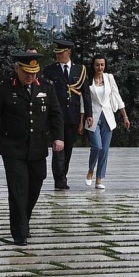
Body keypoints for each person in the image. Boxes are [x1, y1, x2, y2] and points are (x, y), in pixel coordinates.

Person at [0, 50, 64, 245]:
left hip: (37, 146)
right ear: (17, 68)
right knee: (18, 188)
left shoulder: (46, 87)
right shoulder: (4, 89)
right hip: (13, 147)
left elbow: (55, 114)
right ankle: (19, 232)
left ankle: (24, 220)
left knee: (36, 183)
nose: (31, 76)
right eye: (27, 72)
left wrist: (58, 138)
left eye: (34, 73)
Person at [42, 39, 87, 190]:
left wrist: (88, 115)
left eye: (61, 53)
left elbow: (85, 94)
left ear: (68, 53)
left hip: (72, 116)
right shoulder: (50, 70)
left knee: (67, 149)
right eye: (57, 53)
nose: (58, 56)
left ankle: (63, 174)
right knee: (58, 147)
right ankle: (59, 179)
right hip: (56, 116)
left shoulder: (79, 70)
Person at [82, 54, 129, 189]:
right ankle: (91, 170)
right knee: (97, 147)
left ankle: (99, 178)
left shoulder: (109, 78)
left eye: (102, 65)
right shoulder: (87, 80)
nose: (100, 67)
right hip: (92, 118)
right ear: (93, 65)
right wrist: (81, 119)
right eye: (97, 65)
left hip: (107, 117)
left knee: (105, 150)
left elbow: (117, 96)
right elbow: (83, 101)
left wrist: (125, 116)